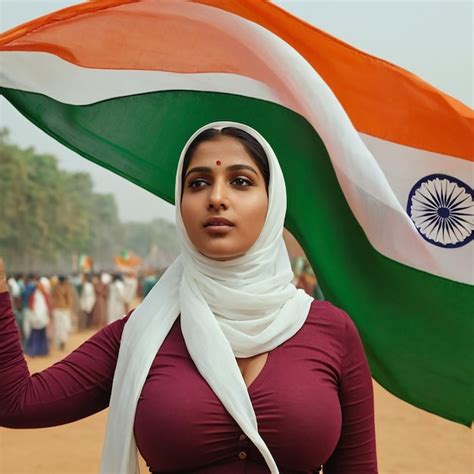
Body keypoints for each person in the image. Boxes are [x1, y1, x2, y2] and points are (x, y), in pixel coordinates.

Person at [0, 122, 377, 473]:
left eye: (241, 181)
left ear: (273, 201)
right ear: (180, 206)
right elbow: (16, 401)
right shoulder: (142, 332)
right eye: (197, 184)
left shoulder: (332, 332)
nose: (216, 198)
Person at [50, 275, 73, 350]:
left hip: (56, 309)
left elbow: (51, 297)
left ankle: (59, 342)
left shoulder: (54, 287)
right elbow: (69, 299)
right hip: (64, 309)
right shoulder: (67, 287)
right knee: (64, 326)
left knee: (58, 327)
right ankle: (62, 342)